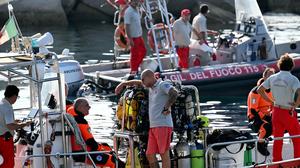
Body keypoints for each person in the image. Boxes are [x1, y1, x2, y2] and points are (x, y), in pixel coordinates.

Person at [115, 69, 178, 168]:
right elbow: (138, 82)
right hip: (153, 127)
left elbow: (174, 92)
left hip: (163, 125)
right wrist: (123, 84)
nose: (142, 82)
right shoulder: (151, 87)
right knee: (150, 154)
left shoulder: (161, 85)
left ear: (150, 77)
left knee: (164, 154)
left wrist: (167, 106)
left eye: (143, 80)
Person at [258, 53, 300, 162]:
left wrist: (271, 101)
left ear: (279, 65)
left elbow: (260, 90)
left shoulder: (272, 78)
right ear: (291, 66)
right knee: (297, 139)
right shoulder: (293, 79)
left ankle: (277, 162)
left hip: (276, 111)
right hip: (288, 112)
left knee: (278, 139)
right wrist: (296, 105)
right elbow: (299, 92)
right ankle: (296, 162)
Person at [67, 98, 124, 168]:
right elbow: (91, 142)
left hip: (81, 152)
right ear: (80, 108)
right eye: (86, 105)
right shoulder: (81, 121)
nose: (89, 107)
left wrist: (103, 147)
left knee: (107, 147)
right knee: (115, 161)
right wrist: (101, 149)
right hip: (83, 154)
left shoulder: (75, 118)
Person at [0, 85, 31, 168]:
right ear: (14, 96)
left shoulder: (1, 104)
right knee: (8, 163)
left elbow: (4, 120)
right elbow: (10, 126)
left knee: (2, 163)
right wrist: (25, 124)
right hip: (5, 140)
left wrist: (16, 121)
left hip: (1, 139)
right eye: (17, 97)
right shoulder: (7, 107)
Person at [247, 68, 275, 156]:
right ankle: (260, 144)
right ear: (264, 77)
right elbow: (253, 109)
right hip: (254, 117)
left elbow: (273, 105)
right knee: (267, 126)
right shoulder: (256, 91)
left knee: (281, 124)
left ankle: (265, 140)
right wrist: (265, 117)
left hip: (267, 114)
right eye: (269, 76)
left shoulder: (272, 90)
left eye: (273, 76)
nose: (271, 78)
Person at [124, 0, 147, 75]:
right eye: (134, 1)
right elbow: (126, 26)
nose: (136, 2)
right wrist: (130, 39)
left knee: (143, 51)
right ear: (130, 2)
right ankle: (133, 71)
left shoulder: (137, 9)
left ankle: (136, 67)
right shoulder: (128, 11)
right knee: (134, 55)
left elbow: (139, 19)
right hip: (133, 37)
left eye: (137, 1)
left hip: (139, 36)